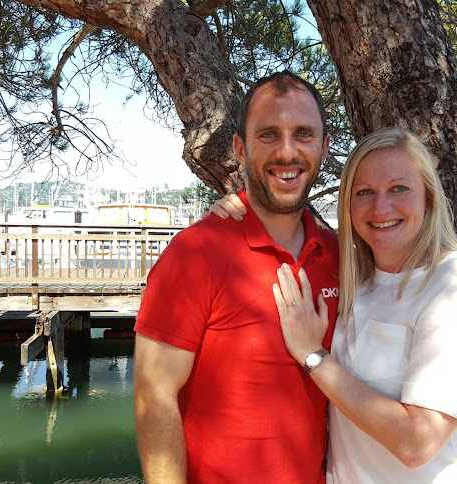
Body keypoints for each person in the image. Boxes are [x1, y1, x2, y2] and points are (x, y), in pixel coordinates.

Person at [214, 127, 457, 482]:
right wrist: (241, 210)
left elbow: (417, 443)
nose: (381, 207)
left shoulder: (447, 284)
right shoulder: (351, 274)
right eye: (364, 192)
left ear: (428, 198)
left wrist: (313, 356)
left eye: (399, 188)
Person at [133, 71, 339, 483]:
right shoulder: (195, 253)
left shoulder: (338, 255)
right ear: (241, 150)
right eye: (268, 135)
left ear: (324, 148)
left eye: (303, 134)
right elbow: (154, 398)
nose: (287, 151)